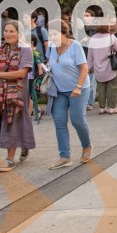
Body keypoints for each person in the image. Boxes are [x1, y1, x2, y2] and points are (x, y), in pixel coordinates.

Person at [0, 21, 36, 172]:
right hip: (0, 93)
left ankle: (9, 160)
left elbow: (21, 73)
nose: (7, 34)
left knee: (12, 121)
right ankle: (24, 144)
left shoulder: (25, 50)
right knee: (8, 121)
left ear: (19, 33)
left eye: (11, 31)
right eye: (6, 31)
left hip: (17, 93)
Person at [45, 19, 92, 169]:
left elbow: (84, 69)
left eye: (55, 33)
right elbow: (50, 64)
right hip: (59, 91)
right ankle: (64, 156)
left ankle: (86, 146)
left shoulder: (75, 46)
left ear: (64, 32)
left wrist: (78, 87)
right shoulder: (51, 47)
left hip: (78, 89)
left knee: (77, 120)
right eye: (50, 33)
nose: (51, 37)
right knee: (59, 122)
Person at [86, 23, 117, 115]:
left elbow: (90, 55)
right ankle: (112, 107)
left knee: (100, 87)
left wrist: (89, 66)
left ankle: (102, 107)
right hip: (110, 66)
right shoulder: (111, 37)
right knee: (112, 87)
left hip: (98, 67)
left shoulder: (92, 39)